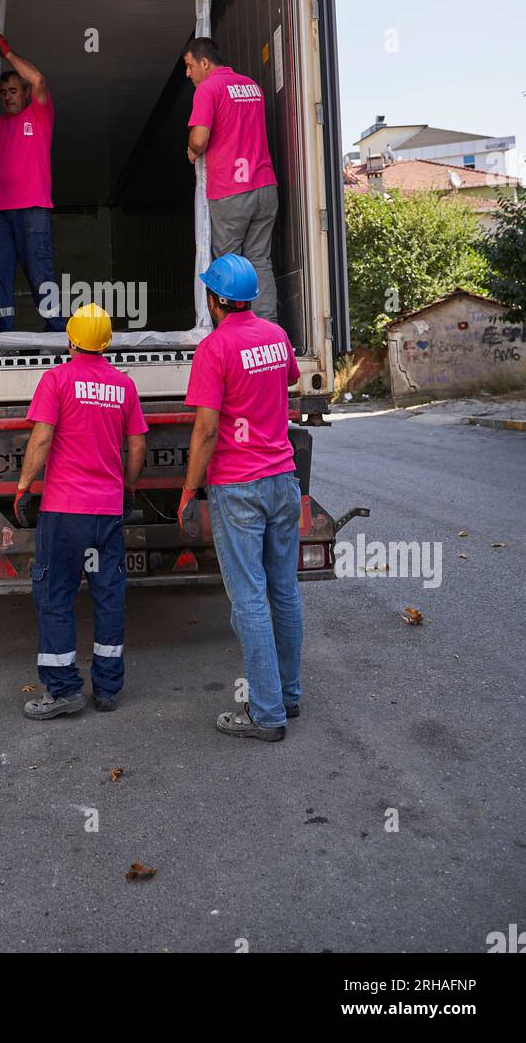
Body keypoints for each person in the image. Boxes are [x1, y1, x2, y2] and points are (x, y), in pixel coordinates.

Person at [178, 253, 301, 741]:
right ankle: (288, 698)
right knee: (285, 591)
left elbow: (206, 429)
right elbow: (289, 378)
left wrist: (189, 489)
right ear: (250, 297)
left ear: (213, 300)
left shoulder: (213, 348)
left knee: (249, 599)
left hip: (238, 486)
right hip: (283, 478)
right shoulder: (275, 335)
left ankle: (266, 714)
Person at [13, 303, 148, 720]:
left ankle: (65, 690)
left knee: (56, 597)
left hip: (63, 511)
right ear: (107, 343)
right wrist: (124, 486)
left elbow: (40, 440)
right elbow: (139, 445)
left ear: (70, 339)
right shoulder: (123, 386)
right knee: (109, 597)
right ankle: (107, 690)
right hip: (106, 512)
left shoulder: (57, 380)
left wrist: (23, 487)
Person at [0, 31, 64, 331]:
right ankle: (3, 334)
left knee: (40, 271)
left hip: (34, 208)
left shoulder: (40, 114)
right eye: (3, 92)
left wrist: (7, 52)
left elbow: (40, 79)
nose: (8, 96)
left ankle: (56, 331)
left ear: (26, 93)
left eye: (14, 90)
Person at [183, 37, 279, 322]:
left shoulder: (207, 89)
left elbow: (200, 139)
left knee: (229, 266)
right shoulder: (252, 86)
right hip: (264, 186)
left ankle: (234, 334)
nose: (188, 74)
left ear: (204, 62)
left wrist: (191, 149)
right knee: (260, 260)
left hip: (230, 192)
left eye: (189, 66)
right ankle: (268, 329)